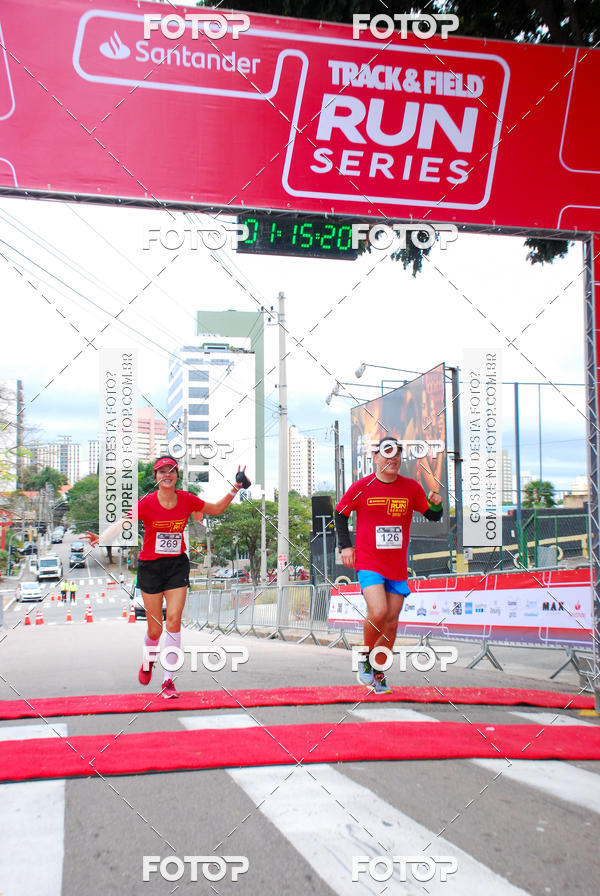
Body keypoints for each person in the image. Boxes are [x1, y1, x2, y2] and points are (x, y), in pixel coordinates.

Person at [88, 456, 250, 699]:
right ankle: (148, 659)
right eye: (161, 471)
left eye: (171, 471)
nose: (167, 474)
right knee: (155, 629)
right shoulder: (146, 502)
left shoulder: (187, 500)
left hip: (176, 565)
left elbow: (215, 508)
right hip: (150, 567)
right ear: (156, 477)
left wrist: (235, 487)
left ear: (176, 476)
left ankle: (168, 680)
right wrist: (101, 539)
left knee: (173, 621)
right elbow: (122, 523)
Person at [335, 437, 443, 694]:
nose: (393, 459)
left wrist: (436, 504)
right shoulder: (362, 487)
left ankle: (378, 671)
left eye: (397, 455)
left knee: (392, 622)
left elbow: (433, 516)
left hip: (396, 566)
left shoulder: (411, 488)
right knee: (379, 611)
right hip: (369, 562)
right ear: (375, 457)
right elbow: (340, 513)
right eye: (387, 454)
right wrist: (346, 546)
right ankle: (365, 656)